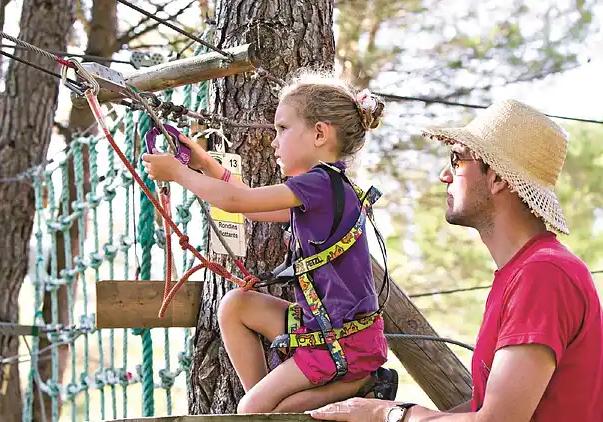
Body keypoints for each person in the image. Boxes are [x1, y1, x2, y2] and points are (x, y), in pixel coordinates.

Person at [307, 99, 603, 422]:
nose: (444, 175)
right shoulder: (525, 272)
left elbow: (495, 421)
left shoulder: (543, 274)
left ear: (498, 179)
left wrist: (388, 415)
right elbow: (483, 410)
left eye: (457, 159)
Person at [142, 71, 398, 413]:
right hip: (328, 328)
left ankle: (362, 385)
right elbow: (250, 203)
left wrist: (180, 175)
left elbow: (236, 203)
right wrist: (204, 164)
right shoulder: (329, 189)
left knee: (251, 412)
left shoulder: (319, 184)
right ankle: (266, 403)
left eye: (282, 129)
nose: (274, 142)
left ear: (320, 133)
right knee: (236, 306)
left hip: (342, 342)